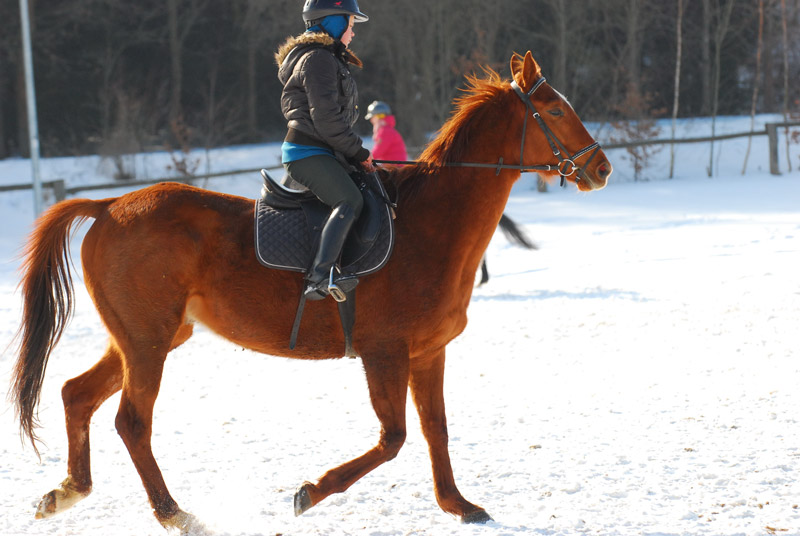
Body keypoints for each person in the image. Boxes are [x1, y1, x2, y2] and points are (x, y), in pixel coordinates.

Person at [275, 0, 373, 301]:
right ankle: (320, 277)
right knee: (350, 200)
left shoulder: (325, 57)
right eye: (350, 25)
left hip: (324, 151)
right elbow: (327, 121)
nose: (353, 33)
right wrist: (359, 152)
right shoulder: (318, 59)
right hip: (307, 153)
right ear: (333, 23)